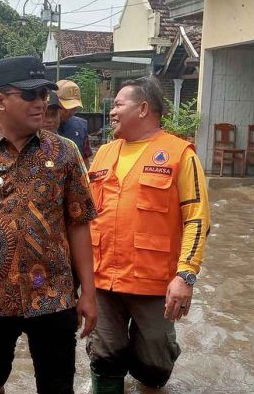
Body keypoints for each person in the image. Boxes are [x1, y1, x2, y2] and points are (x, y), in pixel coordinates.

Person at [0, 56, 98, 394]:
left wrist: (89, 294)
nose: (41, 102)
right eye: (30, 95)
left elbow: (79, 224)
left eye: (43, 94)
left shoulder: (66, 153)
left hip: (55, 297)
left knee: (57, 388)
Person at [86, 76, 210, 393]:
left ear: (143, 109)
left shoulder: (180, 154)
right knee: (104, 357)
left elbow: (197, 218)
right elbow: (85, 216)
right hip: (103, 280)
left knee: (155, 366)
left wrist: (186, 276)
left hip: (154, 283)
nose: (111, 111)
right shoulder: (103, 153)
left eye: (117, 104)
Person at [57, 80, 94, 167]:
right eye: (65, 107)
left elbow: (85, 160)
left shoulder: (80, 126)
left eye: (73, 108)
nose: (69, 112)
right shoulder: (39, 125)